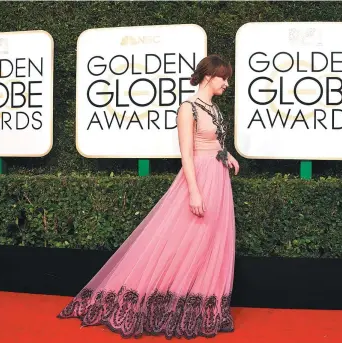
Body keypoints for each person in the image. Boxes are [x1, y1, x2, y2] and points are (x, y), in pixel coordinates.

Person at [57, 54, 240, 339]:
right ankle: (163, 300)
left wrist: (226, 155)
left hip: (219, 179)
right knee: (185, 239)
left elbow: (214, 140)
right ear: (208, 76)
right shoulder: (188, 109)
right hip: (200, 178)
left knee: (211, 241)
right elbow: (187, 154)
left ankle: (203, 304)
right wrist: (193, 191)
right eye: (223, 78)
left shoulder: (213, 108)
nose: (227, 83)